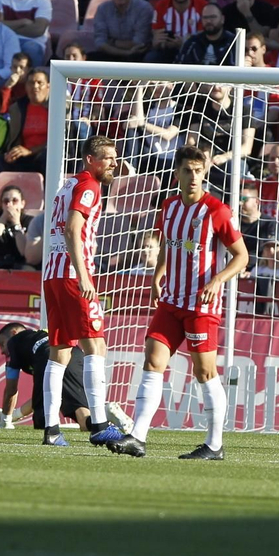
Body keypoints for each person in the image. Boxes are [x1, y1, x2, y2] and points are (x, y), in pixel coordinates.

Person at [110, 145, 249, 460]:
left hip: (201, 306)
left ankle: (214, 445)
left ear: (205, 173)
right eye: (187, 170)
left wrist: (217, 280)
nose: (193, 177)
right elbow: (167, 246)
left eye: (199, 171)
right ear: (177, 173)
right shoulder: (169, 206)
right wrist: (157, 275)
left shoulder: (217, 210)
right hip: (171, 301)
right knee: (153, 361)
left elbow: (242, 256)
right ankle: (138, 437)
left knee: (204, 371)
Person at [40, 135, 122, 449]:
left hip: (52, 274)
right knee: (95, 345)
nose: (114, 163)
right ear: (90, 159)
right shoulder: (89, 186)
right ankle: (100, 423)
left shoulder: (66, 185)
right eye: (108, 158)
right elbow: (73, 228)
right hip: (74, 275)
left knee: (59, 352)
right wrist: (84, 275)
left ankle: (51, 429)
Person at [0, 322, 91, 432]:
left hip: (48, 356)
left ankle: (52, 436)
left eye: (2, 344)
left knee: (43, 421)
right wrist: (15, 414)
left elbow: (11, 389)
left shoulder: (14, 342)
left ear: (14, 333)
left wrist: (5, 420)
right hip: (76, 354)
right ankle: (105, 415)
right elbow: (44, 393)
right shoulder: (42, 334)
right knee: (82, 416)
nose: (2, 351)